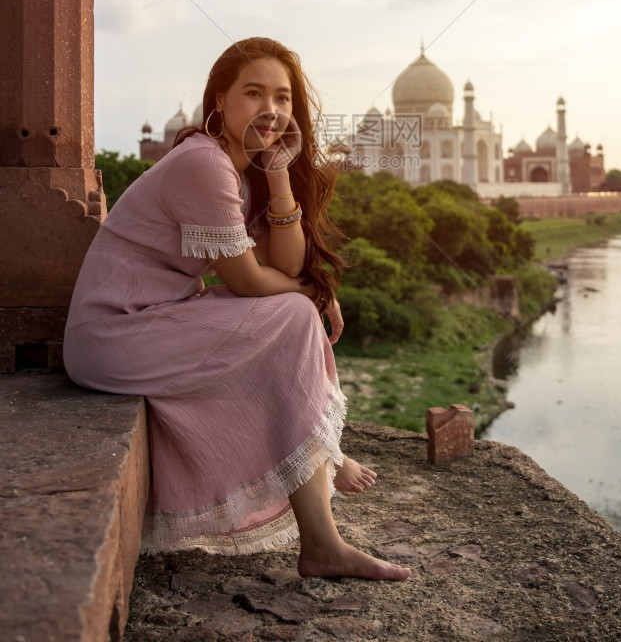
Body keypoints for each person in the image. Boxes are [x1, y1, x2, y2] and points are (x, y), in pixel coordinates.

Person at [63, 37, 410, 581]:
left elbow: (284, 263)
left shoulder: (242, 167)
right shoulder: (203, 162)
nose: (271, 110)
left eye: (283, 98)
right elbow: (250, 280)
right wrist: (314, 294)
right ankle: (323, 512)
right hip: (113, 335)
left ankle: (322, 480)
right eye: (253, 93)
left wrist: (277, 175)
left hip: (158, 319)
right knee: (292, 316)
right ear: (219, 101)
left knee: (289, 314)